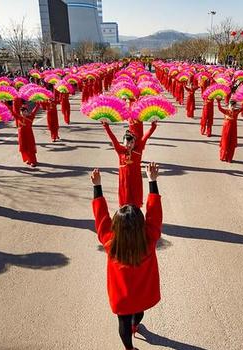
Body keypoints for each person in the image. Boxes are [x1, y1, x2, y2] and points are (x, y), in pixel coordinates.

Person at [91, 162, 162, 350]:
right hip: (141, 296)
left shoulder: (110, 243)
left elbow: (101, 218)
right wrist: (152, 181)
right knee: (138, 314)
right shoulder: (149, 240)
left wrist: (97, 187)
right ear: (141, 225)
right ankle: (135, 325)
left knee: (122, 323)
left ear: (116, 226)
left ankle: (129, 348)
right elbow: (155, 215)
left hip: (121, 297)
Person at [103, 121, 157, 208]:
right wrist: (106, 127)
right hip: (124, 181)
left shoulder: (138, 150)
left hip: (136, 180)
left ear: (134, 143)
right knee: (125, 201)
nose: (129, 145)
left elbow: (146, 137)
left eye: (131, 142)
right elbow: (113, 139)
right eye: (127, 142)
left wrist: (153, 127)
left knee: (136, 202)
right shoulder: (120, 151)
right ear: (123, 142)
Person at [15, 102, 40, 167]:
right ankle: (29, 160)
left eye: (25, 112)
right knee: (25, 148)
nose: (23, 113)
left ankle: (33, 161)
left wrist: (38, 103)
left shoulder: (30, 117)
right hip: (22, 135)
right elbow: (12, 112)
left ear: (27, 112)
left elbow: (35, 110)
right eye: (22, 112)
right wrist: (5, 103)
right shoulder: (19, 118)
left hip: (29, 134)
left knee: (30, 148)